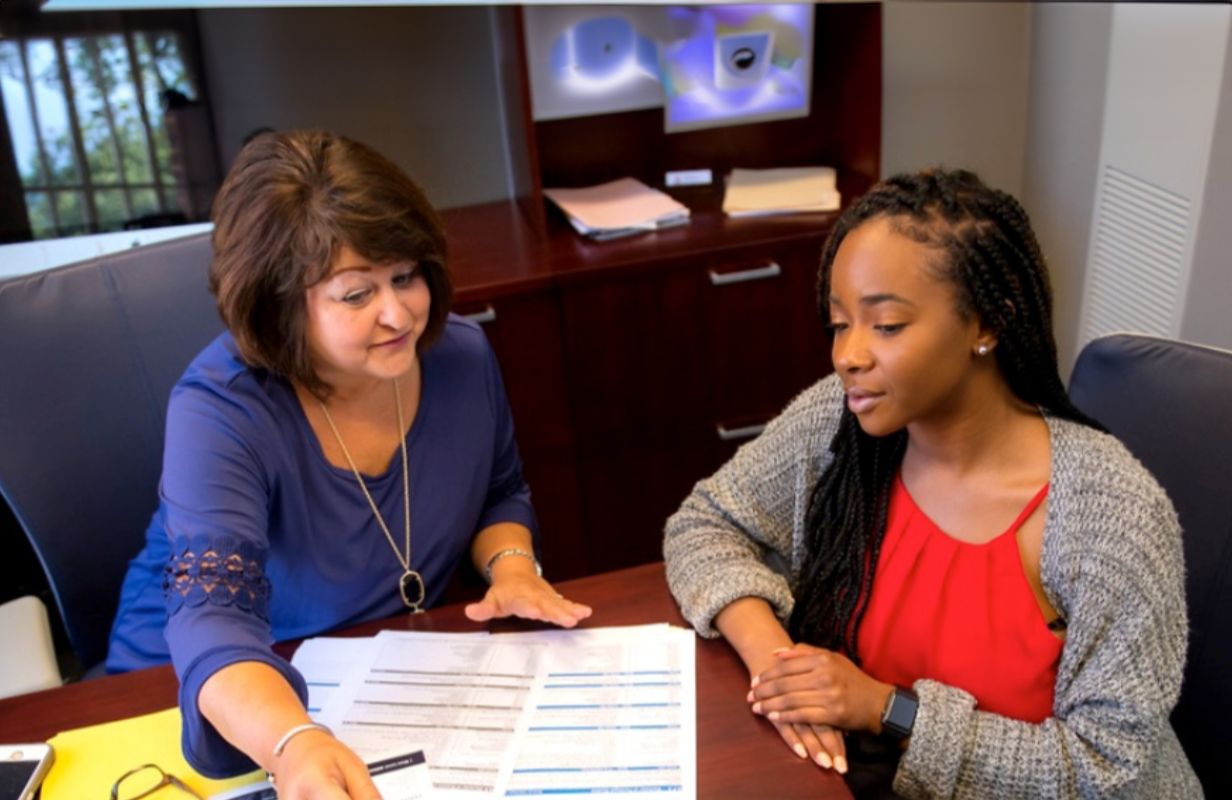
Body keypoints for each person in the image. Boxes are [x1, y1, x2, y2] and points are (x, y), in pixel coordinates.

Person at [663, 168, 1201, 798]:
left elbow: (1110, 769)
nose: (848, 356)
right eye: (840, 324)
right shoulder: (842, 426)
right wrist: (780, 667)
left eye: (886, 326)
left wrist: (884, 709)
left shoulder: (1111, 516)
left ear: (986, 324)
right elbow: (706, 523)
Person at [106, 129, 592, 795]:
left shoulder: (461, 357)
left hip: (380, 677)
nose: (398, 314)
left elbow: (498, 490)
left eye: (405, 276)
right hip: (208, 697)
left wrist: (513, 569)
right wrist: (292, 738)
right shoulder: (218, 409)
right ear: (281, 303)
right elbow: (211, 614)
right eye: (356, 294)